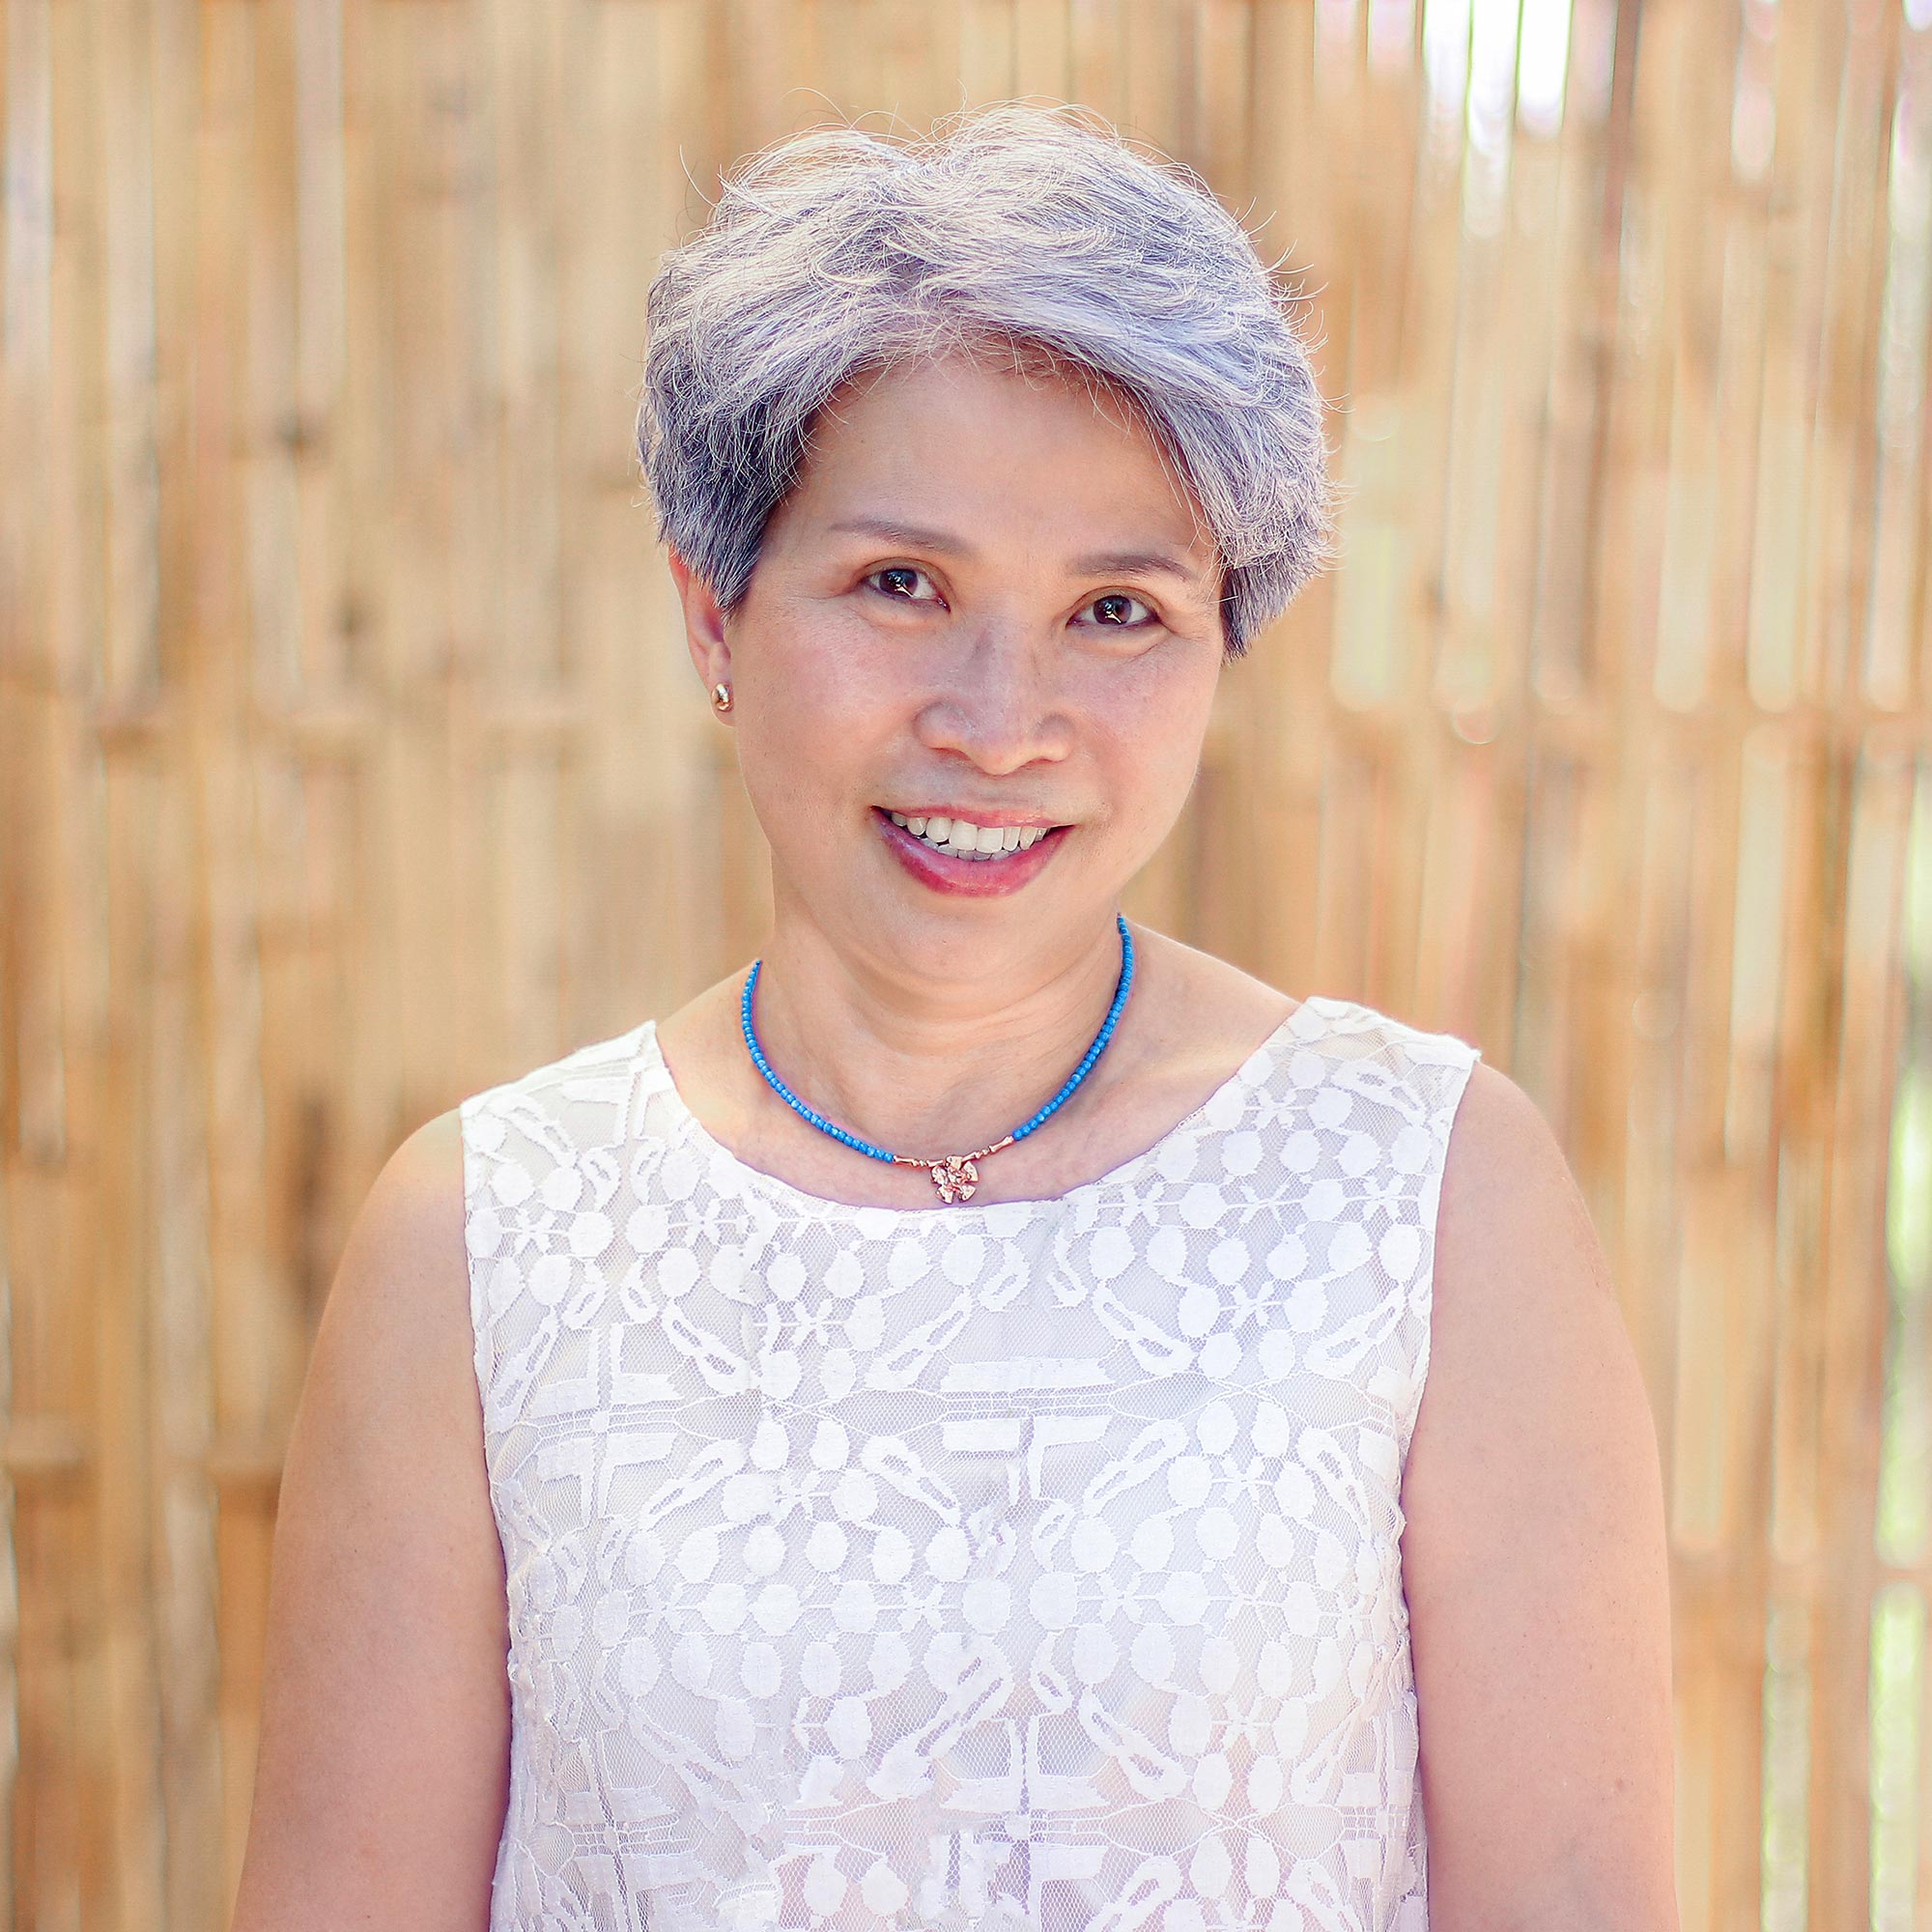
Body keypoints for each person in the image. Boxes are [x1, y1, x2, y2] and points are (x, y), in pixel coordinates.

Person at [231, 103, 1677, 1932]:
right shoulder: (482, 1242)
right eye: (902, 586)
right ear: (713, 617)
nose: (1001, 723)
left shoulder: (1431, 1195)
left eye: (1118, 610)